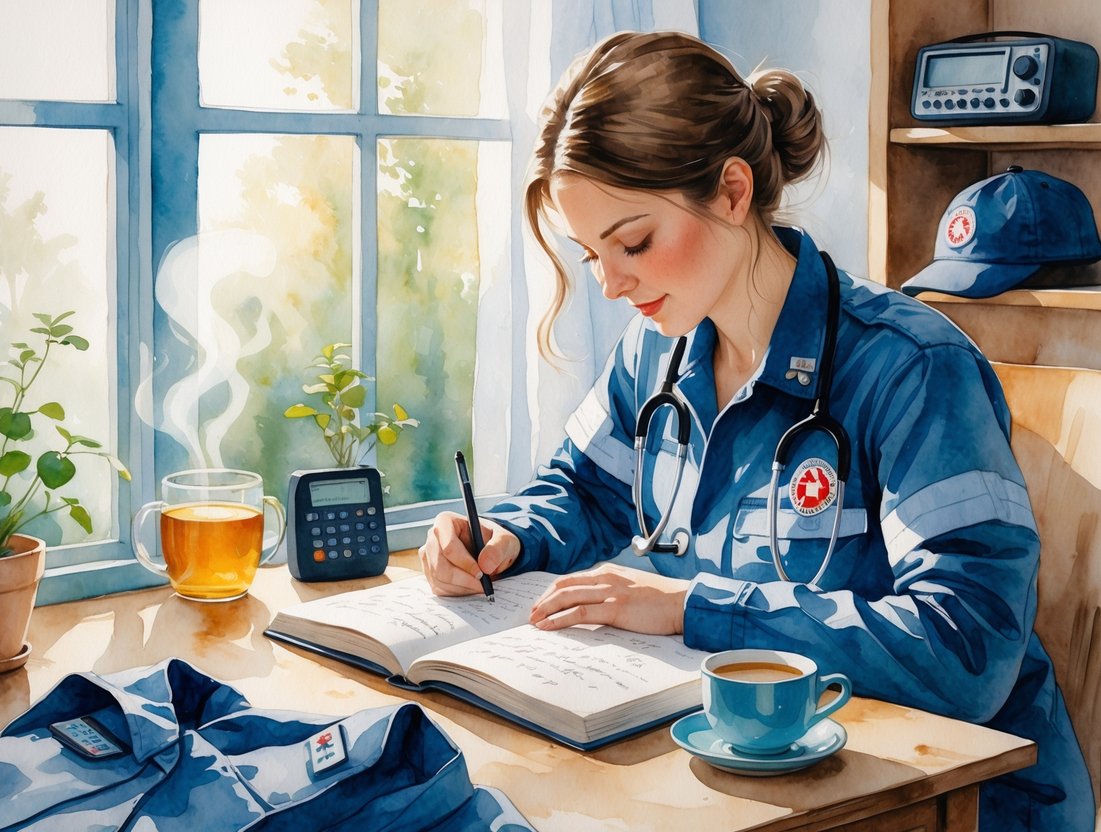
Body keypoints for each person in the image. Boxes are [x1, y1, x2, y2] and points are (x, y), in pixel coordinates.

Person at [418, 31, 1093, 830]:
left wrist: (692, 607)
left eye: (632, 242)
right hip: (765, 776)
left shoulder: (911, 369)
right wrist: (505, 535)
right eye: (590, 253)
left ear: (732, 192)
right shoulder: (657, 348)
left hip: (951, 798)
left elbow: (963, 651)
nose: (609, 283)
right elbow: (586, 489)